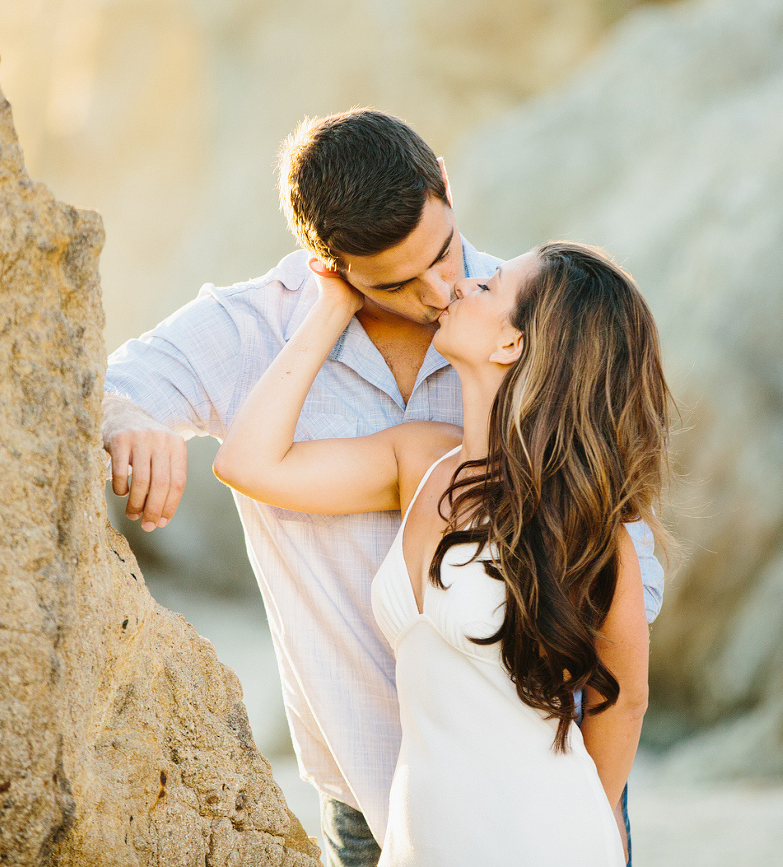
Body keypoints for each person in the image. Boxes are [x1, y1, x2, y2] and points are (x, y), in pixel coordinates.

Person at [102, 109, 665, 867]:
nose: (441, 288)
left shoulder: (525, 314)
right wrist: (133, 420)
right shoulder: (273, 345)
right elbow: (112, 390)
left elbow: (618, 650)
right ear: (328, 262)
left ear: (442, 180)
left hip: (545, 793)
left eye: (446, 253)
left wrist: (595, 823)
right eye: (398, 280)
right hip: (377, 802)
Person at [213, 241, 670, 865]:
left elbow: (625, 698)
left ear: (511, 344)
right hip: (420, 841)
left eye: (488, 287)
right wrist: (333, 306)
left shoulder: (582, 525)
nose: (460, 286)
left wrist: (594, 821)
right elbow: (247, 462)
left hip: (542, 841)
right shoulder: (423, 463)